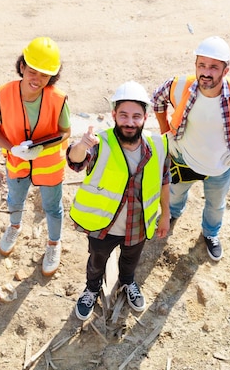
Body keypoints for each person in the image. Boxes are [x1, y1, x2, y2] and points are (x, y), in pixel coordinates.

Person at [151, 36, 230, 262]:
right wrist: (164, 130)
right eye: (202, 65)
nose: (206, 72)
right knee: (175, 194)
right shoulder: (179, 85)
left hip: (220, 165)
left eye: (214, 67)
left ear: (225, 71)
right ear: (196, 65)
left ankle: (211, 233)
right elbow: (157, 99)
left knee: (216, 205)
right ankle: (174, 214)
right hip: (183, 159)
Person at [67, 81, 171, 321]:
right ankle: (91, 289)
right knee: (97, 261)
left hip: (138, 224)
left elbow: (164, 180)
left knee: (130, 261)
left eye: (136, 116)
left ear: (145, 117)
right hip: (103, 224)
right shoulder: (99, 143)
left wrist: (165, 214)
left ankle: (127, 282)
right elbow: (76, 162)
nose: (129, 122)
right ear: (114, 115)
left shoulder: (157, 145)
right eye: (123, 115)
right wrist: (81, 146)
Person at [0, 36, 71, 277]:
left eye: (44, 75)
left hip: (49, 165)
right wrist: (13, 149)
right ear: (22, 67)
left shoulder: (58, 99)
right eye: (33, 71)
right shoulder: (0, 96)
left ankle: (54, 244)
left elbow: (66, 132)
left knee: (52, 208)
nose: (37, 80)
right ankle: (14, 227)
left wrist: (43, 147)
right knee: (15, 200)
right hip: (17, 162)